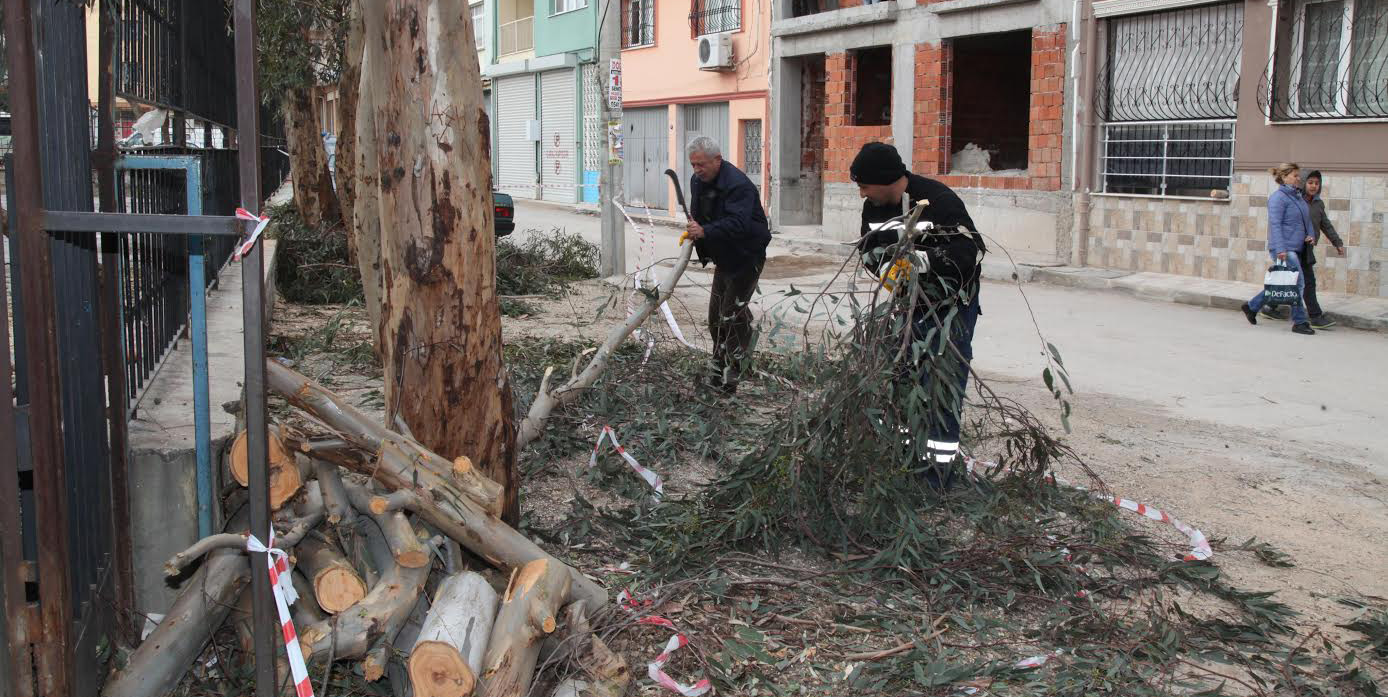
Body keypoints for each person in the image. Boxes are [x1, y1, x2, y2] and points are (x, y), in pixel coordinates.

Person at [851, 142, 987, 490]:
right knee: (903, 376)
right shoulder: (874, 208)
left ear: (885, 180)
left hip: (951, 307)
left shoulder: (939, 200)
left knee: (942, 381)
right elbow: (870, 250)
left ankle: (939, 475)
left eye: (864, 185)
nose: (862, 193)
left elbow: (969, 251)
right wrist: (889, 272)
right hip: (906, 305)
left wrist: (925, 262)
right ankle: (906, 458)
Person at [683, 136, 771, 394]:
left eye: (701, 164)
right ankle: (717, 366)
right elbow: (699, 213)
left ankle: (731, 377)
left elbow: (739, 224)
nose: (697, 170)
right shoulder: (697, 181)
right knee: (715, 319)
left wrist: (705, 230)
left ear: (717, 160)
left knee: (729, 317)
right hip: (724, 257)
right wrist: (694, 229)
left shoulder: (738, 185)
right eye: (693, 165)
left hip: (746, 256)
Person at [1240, 163, 1316, 335]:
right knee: (1298, 282)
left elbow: (1307, 220)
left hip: (1296, 247)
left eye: (1298, 176)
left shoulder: (1297, 197)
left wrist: (1310, 234)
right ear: (1284, 177)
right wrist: (1281, 248)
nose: (1299, 178)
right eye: (1295, 175)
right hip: (1284, 248)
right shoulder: (1278, 198)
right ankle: (1300, 322)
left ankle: (1252, 306)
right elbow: (1275, 224)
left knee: (1282, 284)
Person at [1301, 170, 1346, 328]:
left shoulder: (1318, 203)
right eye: (1310, 182)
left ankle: (1265, 306)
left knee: (1291, 281)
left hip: (1308, 248)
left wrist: (1337, 242)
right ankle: (1315, 316)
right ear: (1303, 183)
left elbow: (1325, 224)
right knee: (1308, 282)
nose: (1314, 186)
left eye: (1317, 183)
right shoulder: (1297, 201)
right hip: (1296, 246)